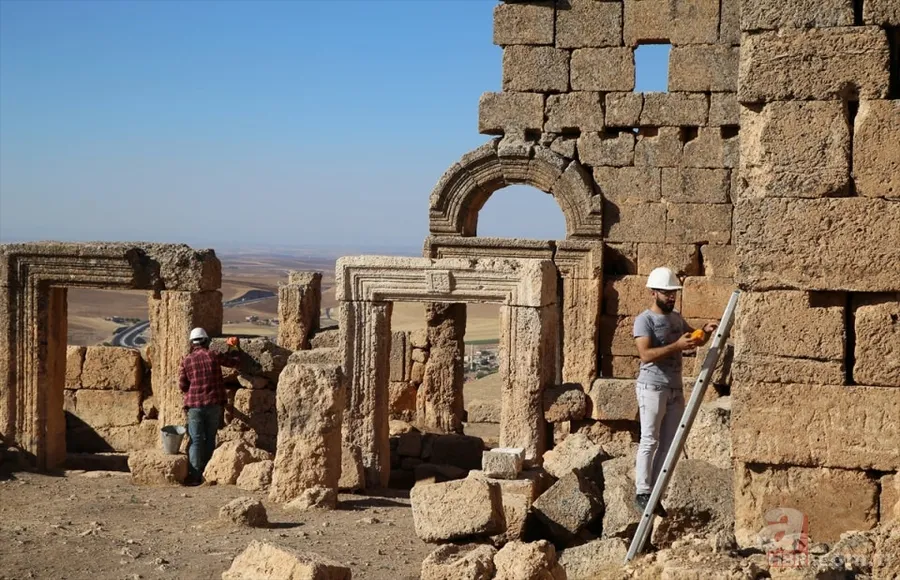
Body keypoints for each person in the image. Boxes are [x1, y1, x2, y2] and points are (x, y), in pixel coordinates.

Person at [632, 267, 718, 516]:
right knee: (649, 439)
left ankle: (655, 492)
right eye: (667, 293)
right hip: (652, 386)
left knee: (670, 444)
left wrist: (705, 332)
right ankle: (642, 491)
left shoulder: (676, 318)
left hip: (674, 387)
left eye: (673, 293)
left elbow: (691, 339)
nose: (671, 297)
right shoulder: (644, 320)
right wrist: (677, 345)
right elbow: (645, 354)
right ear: (653, 293)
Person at [178, 327, 241, 484]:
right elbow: (234, 362)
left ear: (192, 343)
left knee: (195, 439)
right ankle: (208, 470)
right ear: (206, 341)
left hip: (194, 406)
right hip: (213, 403)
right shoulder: (213, 355)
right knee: (210, 437)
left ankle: (194, 475)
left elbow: (182, 385)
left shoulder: (186, 361)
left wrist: (193, 392)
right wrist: (233, 346)